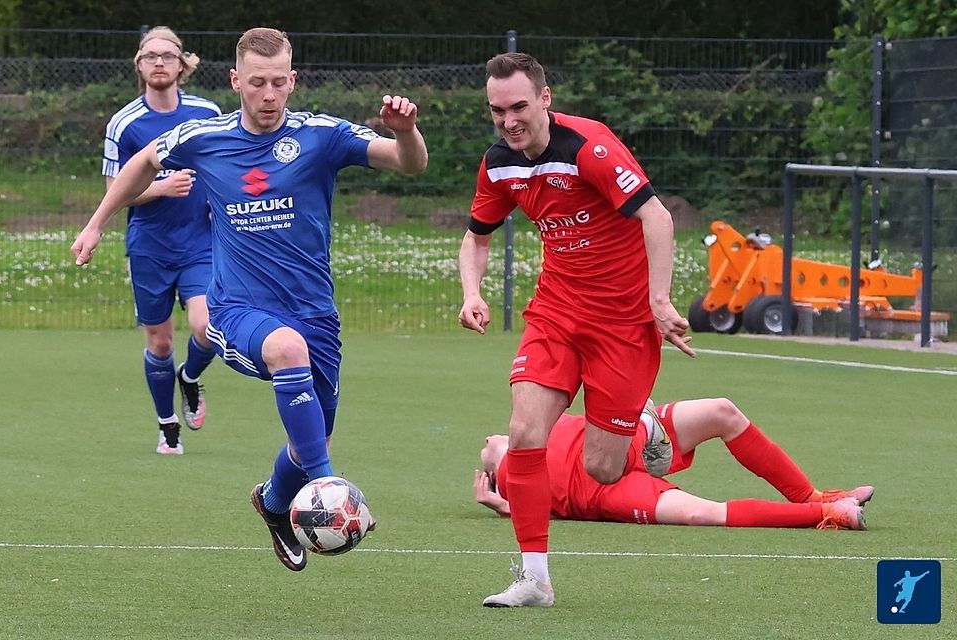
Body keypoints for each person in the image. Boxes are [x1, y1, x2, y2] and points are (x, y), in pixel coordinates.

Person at [72, 27, 428, 571]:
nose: (267, 94)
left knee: (311, 430)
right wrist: (97, 223)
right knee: (288, 353)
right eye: (256, 82)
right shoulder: (203, 136)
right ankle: (329, 488)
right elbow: (141, 162)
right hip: (236, 310)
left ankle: (274, 500)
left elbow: (409, 164)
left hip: (315, 312)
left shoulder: (322, 135)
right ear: (236, 81)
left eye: (278, 82)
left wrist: (406, 132)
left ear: (293, 81)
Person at [457, 52, 695, 607]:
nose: (509, 120)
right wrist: (472, 291)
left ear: (544, 98)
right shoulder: (498, 164)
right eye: (497, 111)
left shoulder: (589, 146)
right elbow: (478, 236)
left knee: (602, 469)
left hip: (621, 325)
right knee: (524, 433)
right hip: (556, 314)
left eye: (519, 106)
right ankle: (535, 578)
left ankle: (648, 427)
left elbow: (656, 217)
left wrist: (658, 300)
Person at [474, 398, 873, 535]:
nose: (485, 441)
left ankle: (813, 495)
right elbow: (531, 511)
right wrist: (501, 503)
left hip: (628, 438)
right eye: (485, 450)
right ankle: (826, 513)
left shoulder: (541, 421)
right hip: (607, 493)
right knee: (703, 514)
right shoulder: (514, 478)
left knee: (722, 411)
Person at [102, 26, 222, 454]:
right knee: (160, 341)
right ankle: (167, 423)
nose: (158, 62)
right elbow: (116, 190)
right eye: (150, 55)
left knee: (207, 325)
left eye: (167, 55)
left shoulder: (208, 113)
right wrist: (159, 188)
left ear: (181, 64)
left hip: (200, 243)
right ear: (139, 65)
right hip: (150, 245)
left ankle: (189, 377)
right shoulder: (125, 122)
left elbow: (224, 167)